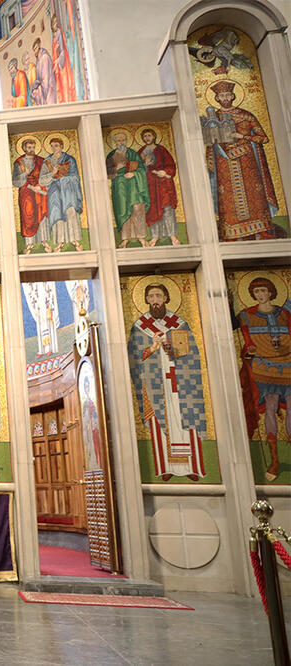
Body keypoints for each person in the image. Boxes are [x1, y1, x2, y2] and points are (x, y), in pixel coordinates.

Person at [126, 283, 206, 481]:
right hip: (154, 382)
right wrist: (153, 348)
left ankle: (192, 466)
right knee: (159, 421)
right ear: (146, 299)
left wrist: (171, 348)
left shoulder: (178, 323)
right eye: (151, 296)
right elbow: (133, 357)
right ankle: (166, 467)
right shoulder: (140, 326)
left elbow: (190, 354)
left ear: (166, 298)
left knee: (186, 417)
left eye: (158, 296)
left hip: (180, 381)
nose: (155, 300)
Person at [202, 80, 279, 240]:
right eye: (221, 95)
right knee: (227, 196)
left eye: (227, 94)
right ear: (216, 98)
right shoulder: (213, 118)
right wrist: (209, 145)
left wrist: (243, 136)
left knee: (254, 194)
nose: (225, 98)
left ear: (232, 96)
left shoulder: (245, 115)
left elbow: (263, 138)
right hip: (224, 162)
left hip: (246, 160)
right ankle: (232, 233)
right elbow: (210, 141)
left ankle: (261, 230)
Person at [236, 277, 290, 481]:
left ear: (271, 292)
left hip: (288, 365)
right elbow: (244, 341)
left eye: (264, 291)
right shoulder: (247, 315)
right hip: (265, 368)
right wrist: (249, 351)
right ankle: (274, 460)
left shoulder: (284, 313)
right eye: (257, 291)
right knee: (270, 408)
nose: (261, 295)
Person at [106, 131, 150, 248]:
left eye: (123, 140)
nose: (121, 142)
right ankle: (125, 239)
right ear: (115, 142)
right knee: (122, 210)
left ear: (127, 141)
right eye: (119, 140)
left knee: (137, 208)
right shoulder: (111, 156)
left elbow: (141, 169)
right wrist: (117, 168)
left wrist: (134, 174)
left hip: (134, 185)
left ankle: (141, 237)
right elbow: (107, 174)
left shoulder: (133, 154)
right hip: (119, 185)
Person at [39, 137, 83, 251]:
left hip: (68, 191)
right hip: (54, 191)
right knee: (56, 213)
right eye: (52, 146)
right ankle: (60, 242)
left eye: (57, 145)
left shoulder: (69, 159)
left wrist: (63, 178)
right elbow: (41, 180)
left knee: (70, 211)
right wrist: (52, 173)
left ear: (62, 146)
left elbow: (75, 177)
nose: (54, 148)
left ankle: (74, 240)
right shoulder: (47, 162)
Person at [138, 128, 181, 246]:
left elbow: (171, 165)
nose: (147, 138)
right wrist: (144, 165)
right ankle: (155, 236)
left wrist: (165, 172)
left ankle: (172, 236)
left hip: (163, 184)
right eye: (145, 136)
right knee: (152, 210)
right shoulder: (140, 152)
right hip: (149, 185)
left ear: (154, 136)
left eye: (149, 135)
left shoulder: (161, 150)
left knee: (167, 208)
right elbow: (136, 168)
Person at [11, 138, 48, 252]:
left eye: (33, 147)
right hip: (26, 191)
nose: (31, 150)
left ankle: (44, 241)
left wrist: (40, 186)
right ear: (24, 148)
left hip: (39, 191)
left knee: (41, 213)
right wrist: (24, 174)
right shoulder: (19, 162)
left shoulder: (41, 161)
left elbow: (46, 176)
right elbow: (15, 181)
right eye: (29, 147)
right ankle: (30, 243)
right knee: (28, 215)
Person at [51, 15, 76, 103]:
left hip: (63, 64)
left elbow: (62, 49)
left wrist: (58, 60)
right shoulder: (54, 37)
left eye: (56, 23)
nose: (55, 25)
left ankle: (68, 100)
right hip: (58, 64)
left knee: (65, 84)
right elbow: (55, 51)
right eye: (54, 23)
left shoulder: (59, 32)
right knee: (61, 85)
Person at [30, 38, 57, 105]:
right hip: (43, 89)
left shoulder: (45, 58)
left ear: (39, 47)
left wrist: (38, 90)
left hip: (48, 92)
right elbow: (38, 79)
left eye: (35, 49)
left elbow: (46, 80)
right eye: (34, 50)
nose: (35, 52)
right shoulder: (38, 60)